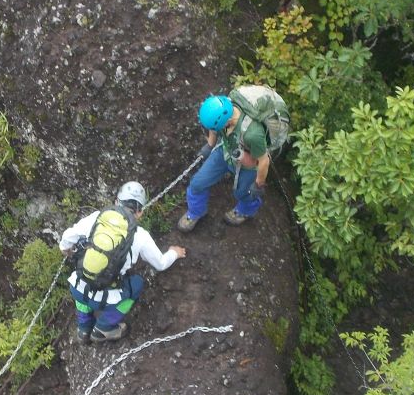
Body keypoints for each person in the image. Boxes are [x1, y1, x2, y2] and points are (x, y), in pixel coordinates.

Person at [59, 181, 186, 343]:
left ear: (116, 202)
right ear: (140, 212)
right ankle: (104, 327)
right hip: (106, 298)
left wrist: (65, 249)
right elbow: (160, 264)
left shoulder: (97, 218)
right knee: (137, 284)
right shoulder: (140, 235)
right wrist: (174, 253)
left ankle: (83, 330)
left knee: (83, 283)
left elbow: (67, 238)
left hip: (77, 287)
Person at [177, 85, 285, 231]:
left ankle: (245, 210)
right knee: (197, 184)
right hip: (227, 149)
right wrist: (210, 145)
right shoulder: (223, 112)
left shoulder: (252, 134)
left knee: (243, 193)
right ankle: (196, 212)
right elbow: (214, 127)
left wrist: (258, 184)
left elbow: (263, 161)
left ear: (226, 122)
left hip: (250, 161)